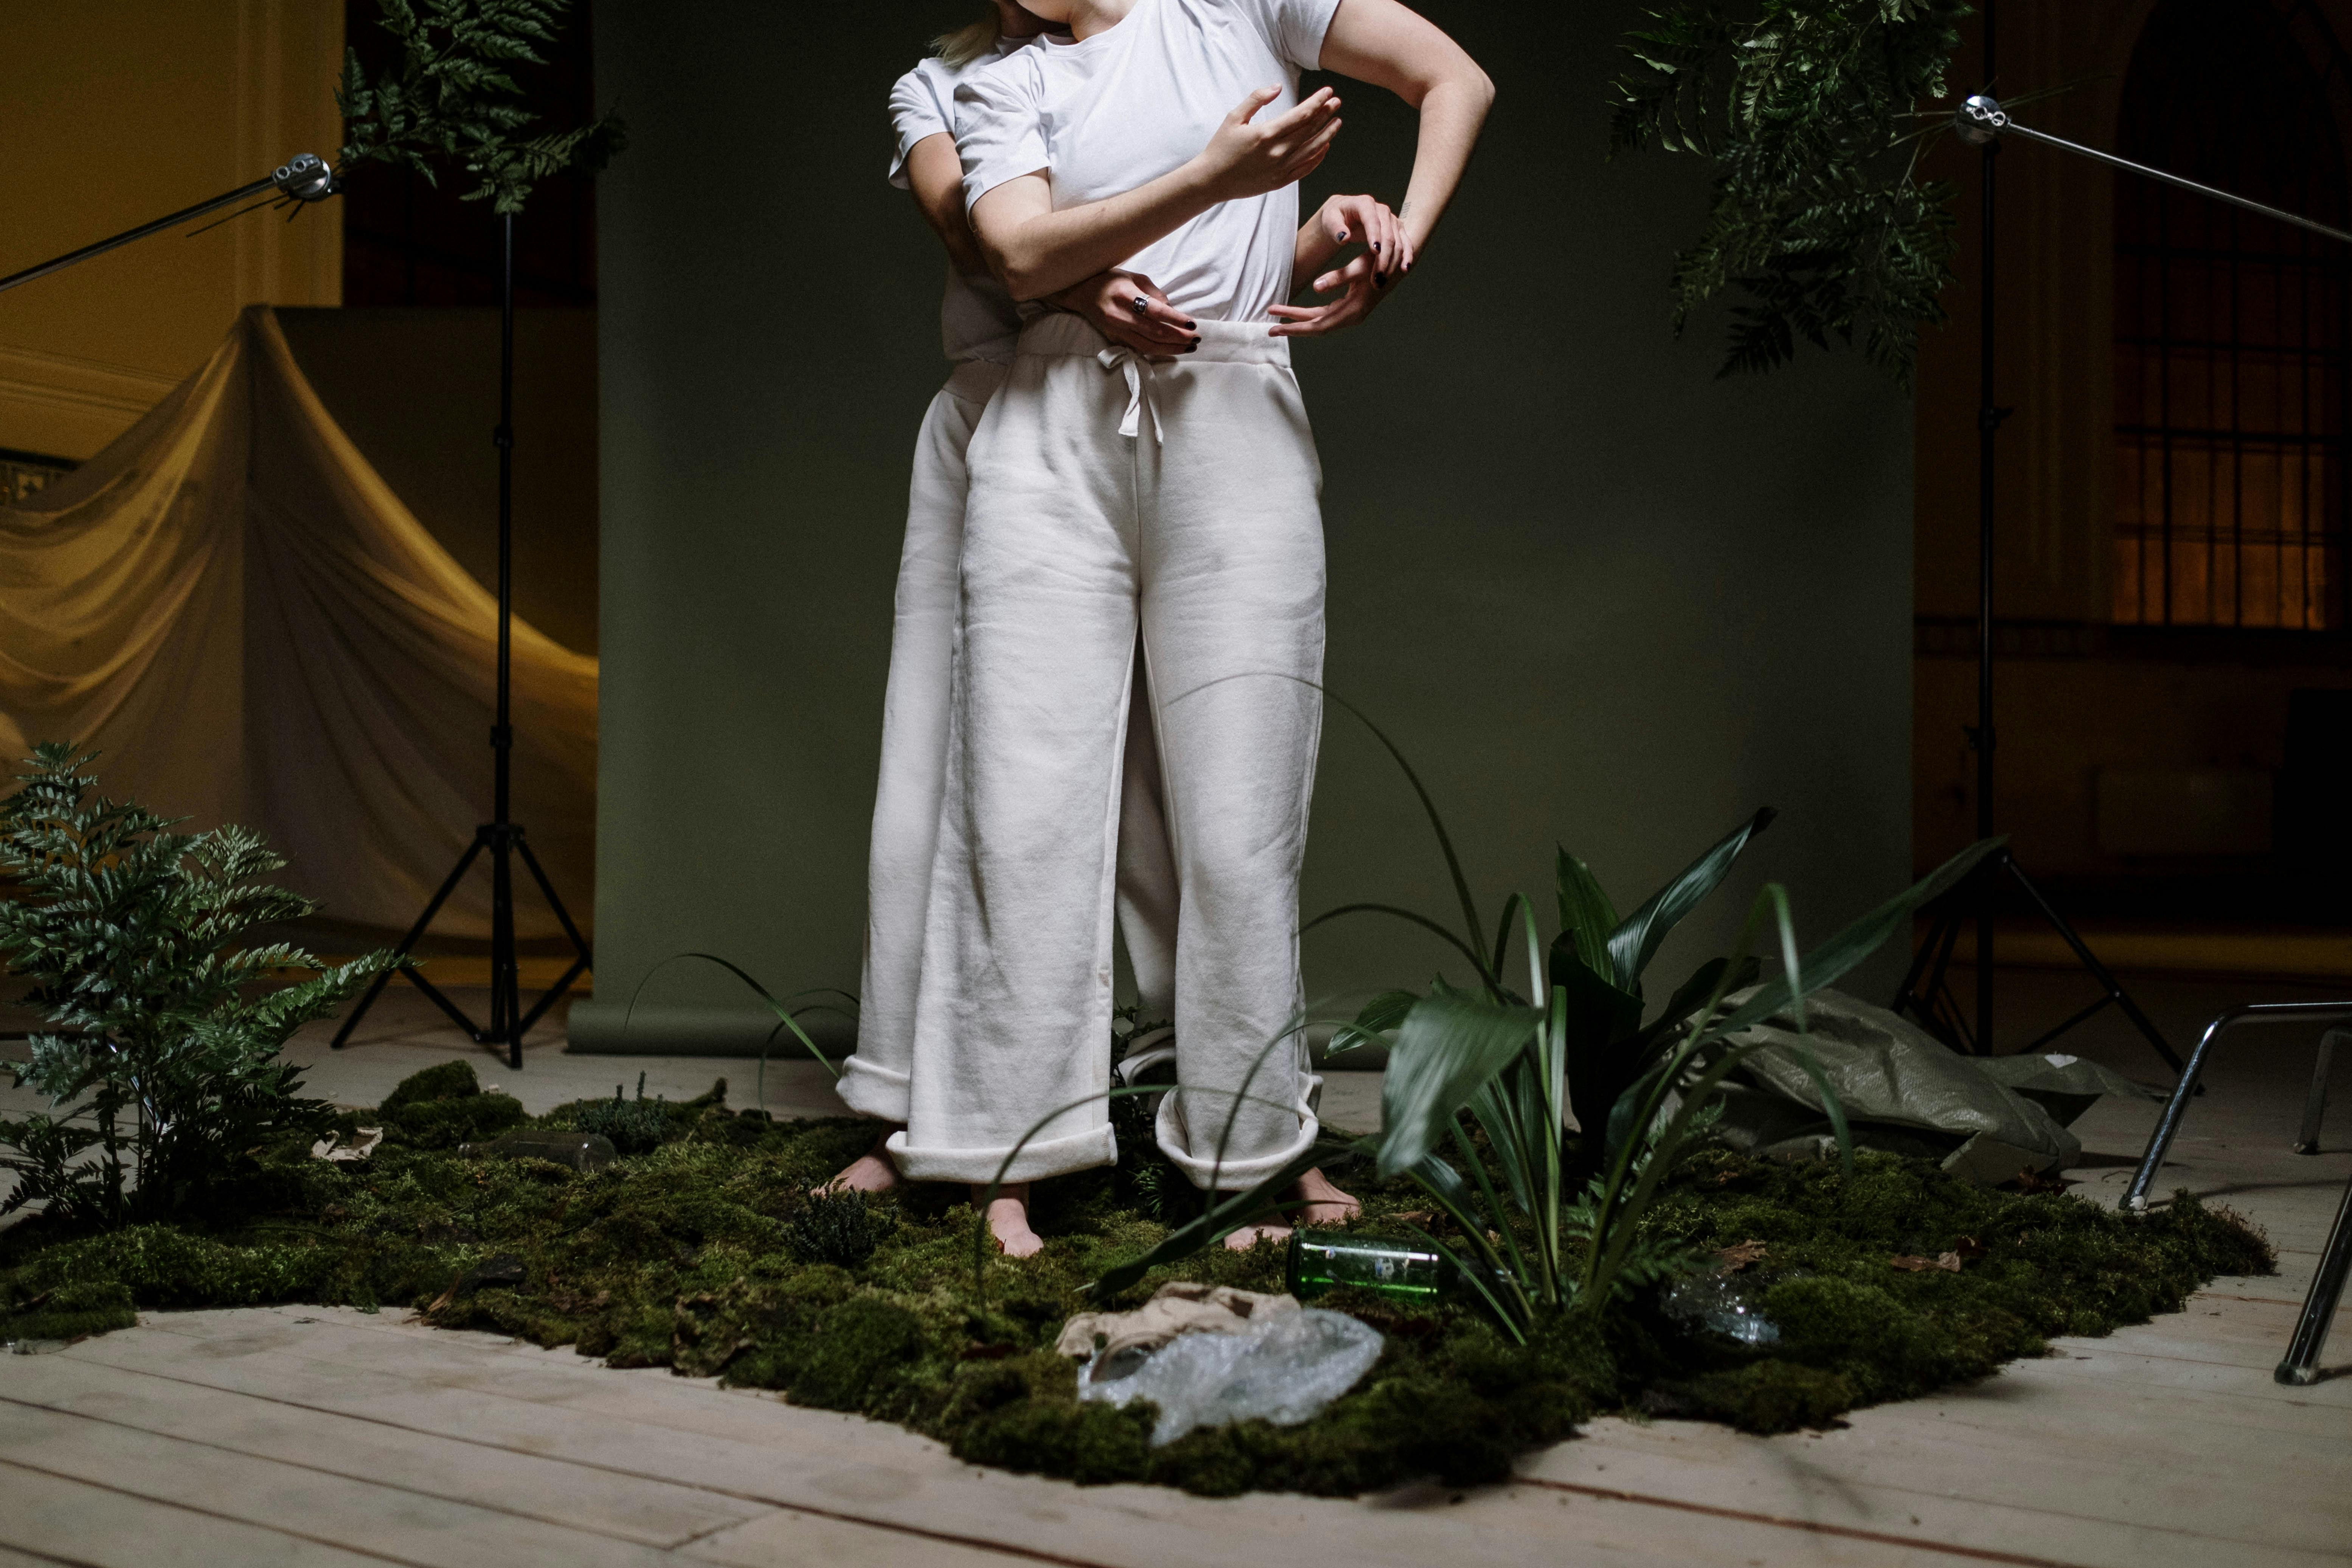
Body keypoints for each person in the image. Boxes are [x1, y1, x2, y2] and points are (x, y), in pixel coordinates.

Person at [893, 0, 1492, 1254]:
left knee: (1239, 823)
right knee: (1024, 805)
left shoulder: (1245, 9)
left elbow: (1455, 80)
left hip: (1235, 413)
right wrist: (1212, 178)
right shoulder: (1007, 81)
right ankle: (999, 1150)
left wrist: (1395, 244)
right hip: (1047, 429)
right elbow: (1017, 255)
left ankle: (1254, 1145)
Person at [829, 1, 1200, 1193]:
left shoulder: (1163, 52)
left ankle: (1186, 1079)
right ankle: (914, 1098)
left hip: (1156, 414)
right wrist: (1085, 293)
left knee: (1168, 770)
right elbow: (979, 241)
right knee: (941, 759)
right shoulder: (932, 87)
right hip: (999, 407)